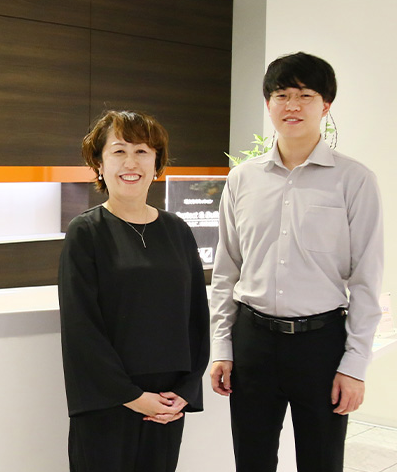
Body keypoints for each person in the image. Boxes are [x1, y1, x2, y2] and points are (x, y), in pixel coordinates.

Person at [209, 52, 384, 472]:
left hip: (320, 345)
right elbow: (226, 272)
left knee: (322, 462)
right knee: (251, 461)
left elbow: (366, 279)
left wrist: (355, 366)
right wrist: (221, 347)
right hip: (253, 342)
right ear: (268, 103)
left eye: (305, 95)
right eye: (282, 95)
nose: (292, 105)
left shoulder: (354, 180)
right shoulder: (242, 179)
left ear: (325, 105)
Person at [59, 110, 210, 471]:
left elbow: (196, 317)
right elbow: (81, 328)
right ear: (99, 164)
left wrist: (185, 391)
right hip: (107, 402)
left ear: (157, 162)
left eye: (142, 151)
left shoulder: (178, 230)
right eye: (119, 151)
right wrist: (131, 396)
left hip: (167, 402)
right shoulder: (86, 232)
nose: (131, 162)